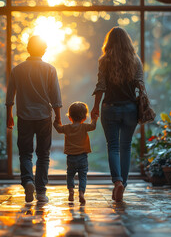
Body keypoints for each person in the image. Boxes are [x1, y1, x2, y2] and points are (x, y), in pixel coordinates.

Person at [91, 27, 146, 202]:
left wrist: (95, 107)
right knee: (126, 147)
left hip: (110, 108)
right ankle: (124, 183)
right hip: (130, 108)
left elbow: (101, 86)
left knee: (113, 147)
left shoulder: (104, 60)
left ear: (110, 42)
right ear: (127, 41)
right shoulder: (135, 60)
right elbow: (141, 85)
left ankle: (117, 182)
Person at [6, 36, 62, 203]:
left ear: (28, 49)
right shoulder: (50, 69)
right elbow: (56, 97)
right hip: (44, 116)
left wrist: (9, 115)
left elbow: (10, 96)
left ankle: (28, 181)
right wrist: (58, 118)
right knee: (43, 155)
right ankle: (41, 192)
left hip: (24, 116)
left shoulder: (17, 69)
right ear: (43, 50)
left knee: (25, 153)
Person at [54, 102, 97, 204]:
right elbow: (93, 126)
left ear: (70, 117)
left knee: (70, 175)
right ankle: (81, 193)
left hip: (71, 158)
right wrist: (94, 118)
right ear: (84, 117)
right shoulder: (85, 127)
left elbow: (58, 128)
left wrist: (56, 121)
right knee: (83, 176)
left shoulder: (67, 128)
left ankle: (71, 191)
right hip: (82, 157)